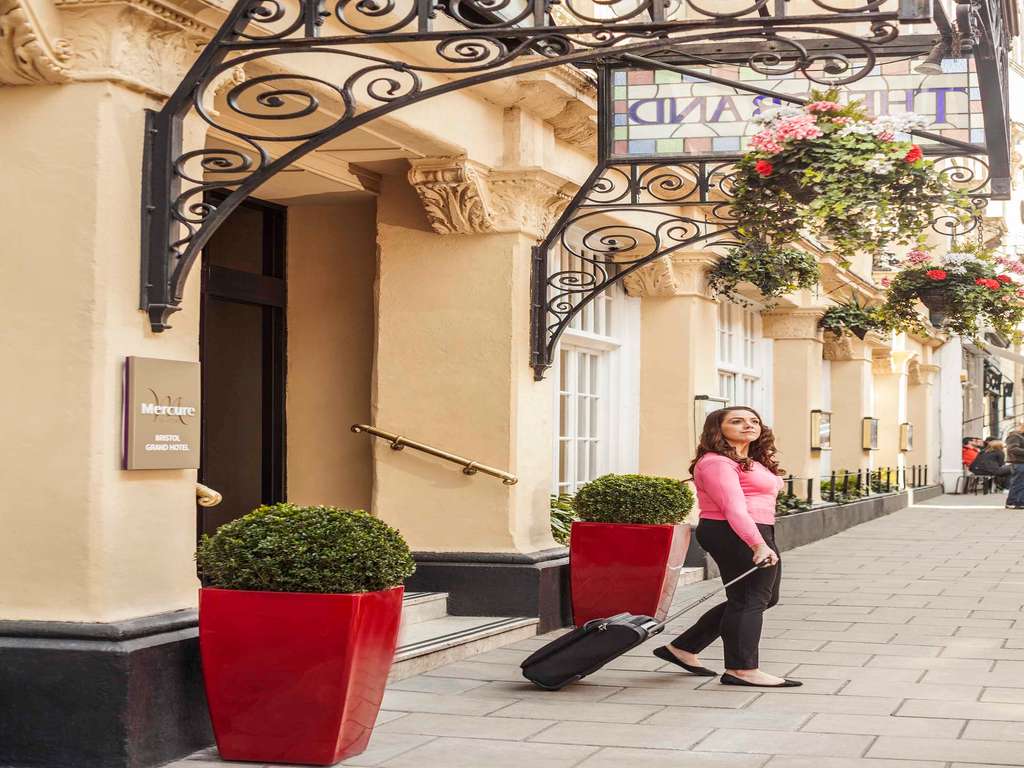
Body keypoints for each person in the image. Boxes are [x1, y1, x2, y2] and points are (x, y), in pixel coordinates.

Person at [652, 406, 801, 688]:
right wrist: (757, 543)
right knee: (750, 599)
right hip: (734, 531)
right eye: (737, 421)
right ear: (717, 429)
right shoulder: (716, 463)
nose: (748, 425)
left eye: (753, 421)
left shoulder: (748, 459)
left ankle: (684, 648)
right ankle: (741, 669)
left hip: (754, 529)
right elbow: (733, 508)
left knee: (761, 598)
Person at [1005, 422, 1024, 509]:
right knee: (1018, 483)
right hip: (1019, 463)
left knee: (1020, 483)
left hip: (1021, 463)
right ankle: (1014, 502)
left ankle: (1018, 502)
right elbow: (1012, 449)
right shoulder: (1015, 436)